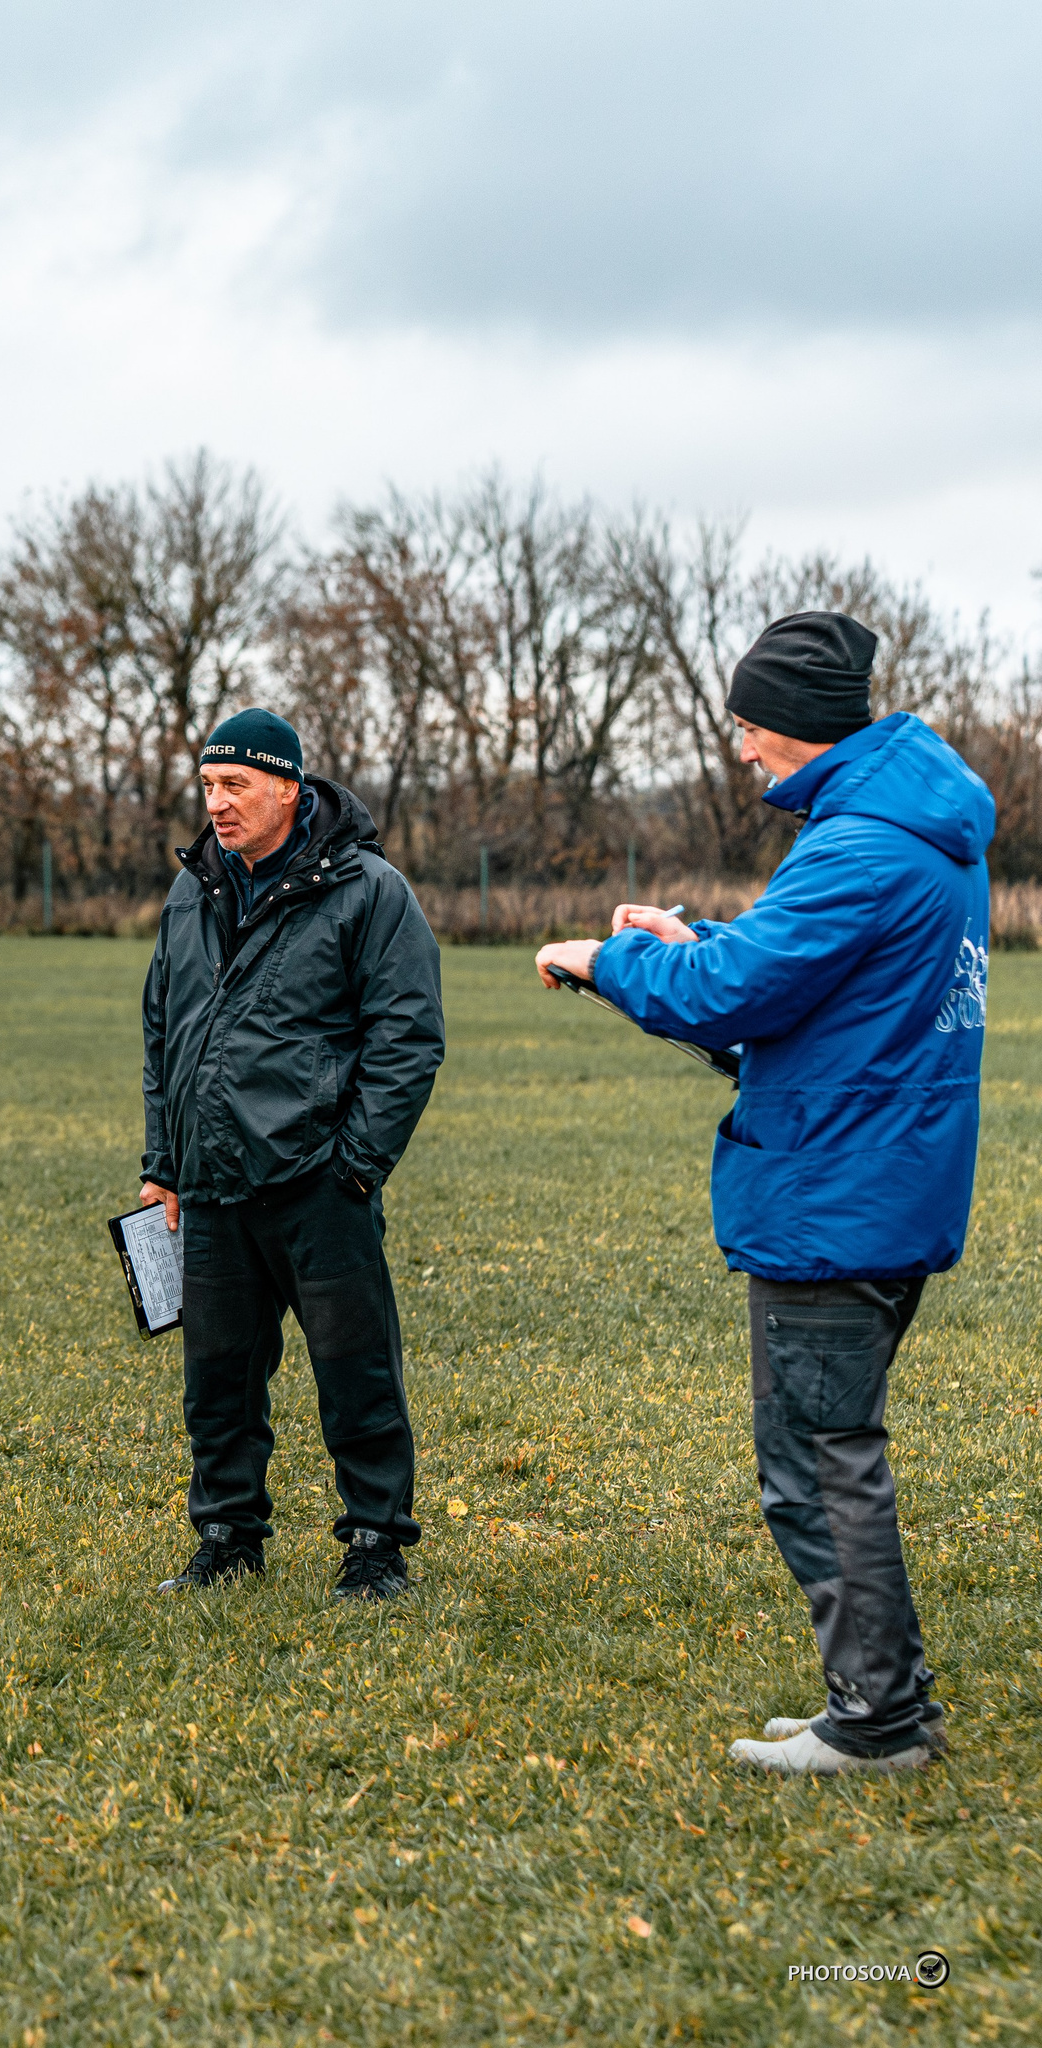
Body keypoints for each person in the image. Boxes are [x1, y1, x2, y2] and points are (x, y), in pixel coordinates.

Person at [537, 612, 989, 1775]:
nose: (738, 750)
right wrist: (686, 940)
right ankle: (870, 1697)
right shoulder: (903, 830)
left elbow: (737, 989)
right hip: (870, 1182)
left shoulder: (862, 846)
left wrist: (611, 959)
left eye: (743, 726)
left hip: (835, 1200)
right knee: (825, 1455)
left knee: (816, 1467)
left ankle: (880, 1721)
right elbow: (808, 988)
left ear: (788, 724)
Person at [140, 709, 446, 1600]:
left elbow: (409, 1038)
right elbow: (162, 1028)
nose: (217, 805)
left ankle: (376, 1546)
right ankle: (228, 1539)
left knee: (357, 1373)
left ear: (288, 786)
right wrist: (164, 1160)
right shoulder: (194, 886)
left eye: (233, 786)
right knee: (217, 1380)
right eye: (207, 787)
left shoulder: (369, 890)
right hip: (211, 1183)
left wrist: (356, 1163)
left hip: (321, 1183)